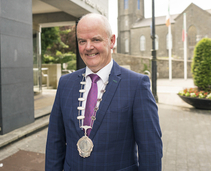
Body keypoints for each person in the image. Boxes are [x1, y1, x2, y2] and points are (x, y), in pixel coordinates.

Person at [45, 13, 162, 171]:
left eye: (96, 39)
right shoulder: (66, 84)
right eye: (82, 41)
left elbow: (150, 150)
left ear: (112, 41)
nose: (88, 47)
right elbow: (54, 142)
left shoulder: (136, 85)